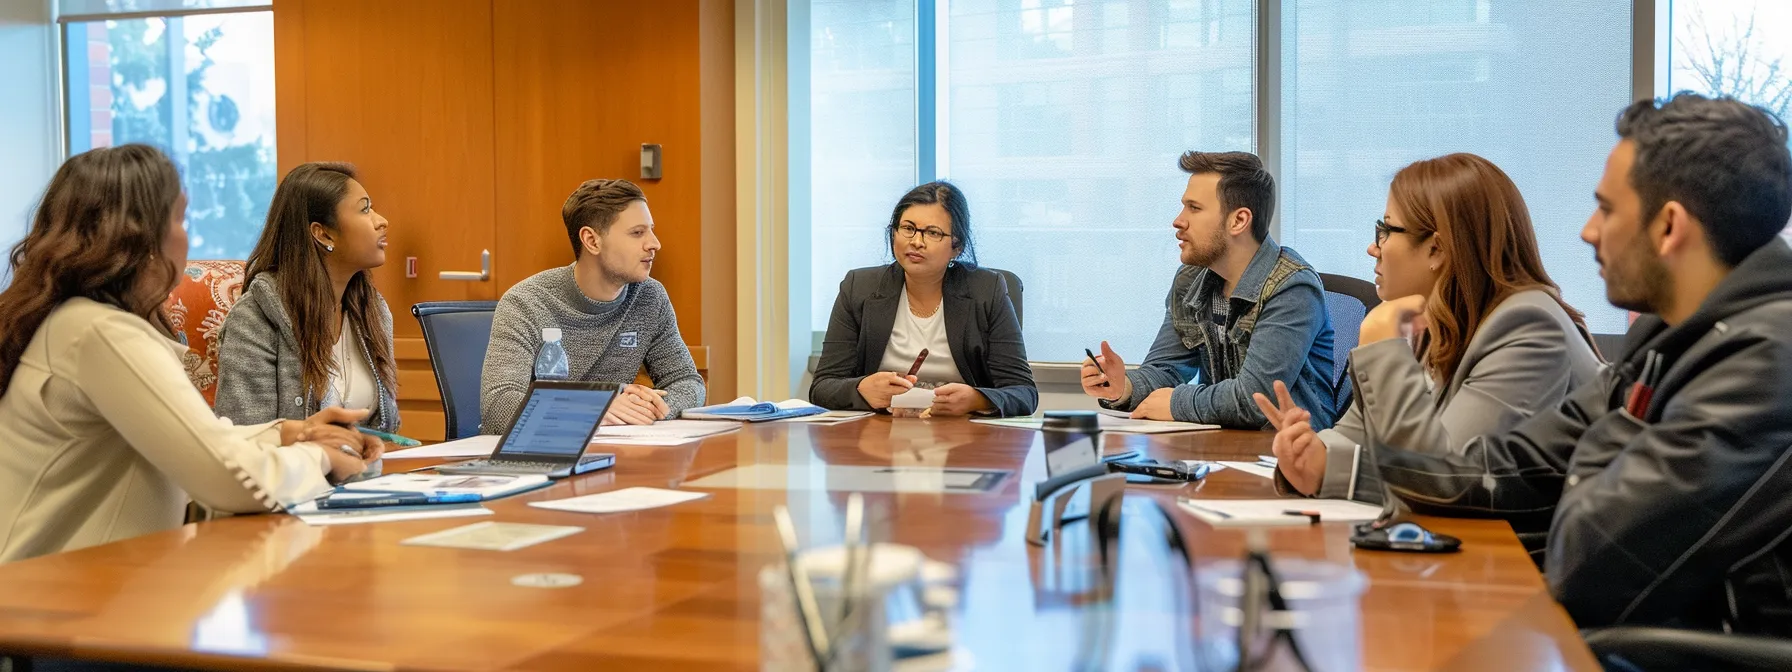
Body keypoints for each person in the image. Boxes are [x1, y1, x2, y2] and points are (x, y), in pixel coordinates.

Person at [1261, 94, 1792, 635]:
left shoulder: (1768, 357)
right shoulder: (1670, 334)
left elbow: (1591, 564)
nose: (1588, 230)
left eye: (1607, 209)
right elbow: (1472, 473)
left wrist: (1603, 439)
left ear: (1669, 227)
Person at [0, 145, 379, 563]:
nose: (187, 236)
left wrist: (286, 433)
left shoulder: (80, 323)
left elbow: (192, 439)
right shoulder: (100, 333)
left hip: (86, 587)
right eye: (180, 218)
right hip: (45, 601)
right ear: (140, 237)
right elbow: (223, 477)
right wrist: (319, 457)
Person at [1257, 153, 1601, 500]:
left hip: (1521, 550)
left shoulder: (1528, 326)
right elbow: (1357, 435)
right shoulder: (1433, 320)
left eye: (1386, 230)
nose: (1373, 247)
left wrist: (1380, 349)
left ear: (1436, 249)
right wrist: (1315, 455)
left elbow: (1448, 476)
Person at [1081, 151, 1336, 429]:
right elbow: (1165, 369)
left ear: (1238, 221)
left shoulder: (1292, 288)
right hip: (1220, 446)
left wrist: (1175, 402)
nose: (1178, 221)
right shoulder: (1191, 279)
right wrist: (1123, 387)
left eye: (1194, 208)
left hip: (1286, 455)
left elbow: (1254, 401)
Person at [481, 178, 704, 430]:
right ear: (592, 241)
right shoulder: (526, 303)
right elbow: (499, 406)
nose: (654, 243)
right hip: (534, 454)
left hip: (615, 449)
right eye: (638, 233)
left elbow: (687, 381)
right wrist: (592, 407)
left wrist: (648, 409)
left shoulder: (649, 297)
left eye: (651, 230)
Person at [809, 181, 1037, 416]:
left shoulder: (987, 290)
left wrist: (977, 400)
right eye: (908, 228)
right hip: (880, 436)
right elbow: (822, 387)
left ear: (956, 246)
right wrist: (860, 389)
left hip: (962, 437)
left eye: (932, 233)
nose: (916, 241)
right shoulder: (859, 288)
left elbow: (1024, 392)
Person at [215, 163, 401, 443]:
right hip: (293, 482)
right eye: (365, 209)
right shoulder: (254, 319)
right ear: (323, 234)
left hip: (366, 480)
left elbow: (387, 433)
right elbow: (245, 438)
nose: (381, 220)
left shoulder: (374, 311)